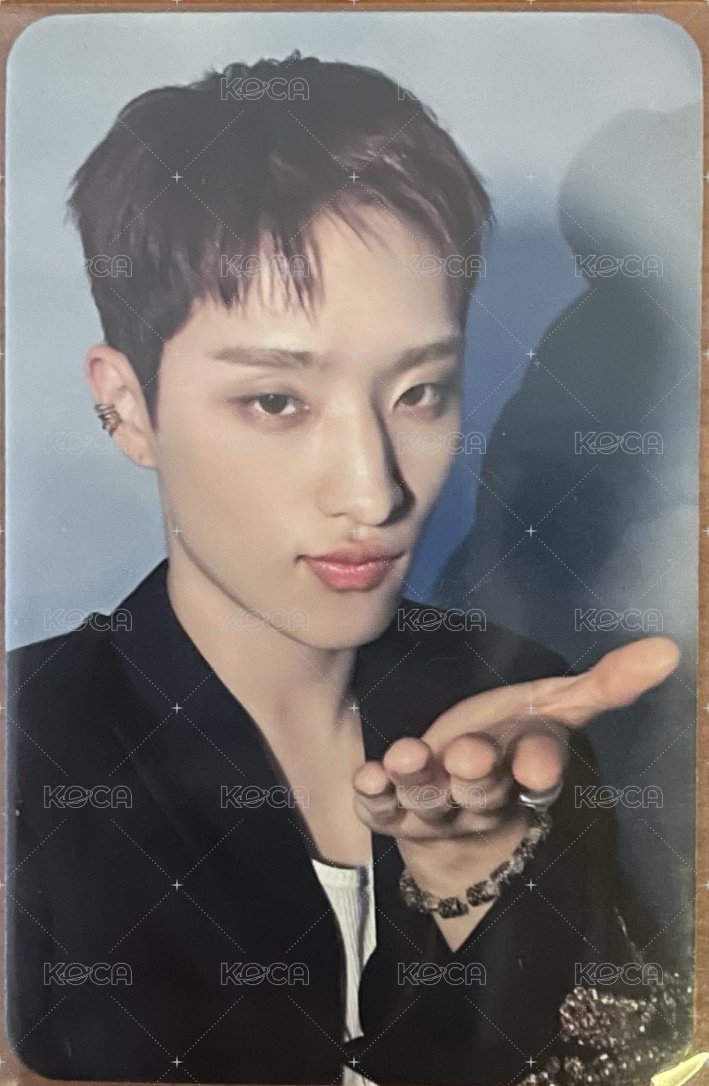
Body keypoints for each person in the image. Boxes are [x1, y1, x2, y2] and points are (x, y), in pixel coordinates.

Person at [6, 52, 691, 1086]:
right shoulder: (27, 749)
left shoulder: (514, 712)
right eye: (276, 401)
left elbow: (626, 1055)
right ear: (127, 405)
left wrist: (467, 890)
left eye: (419, 393)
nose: (374, 493)